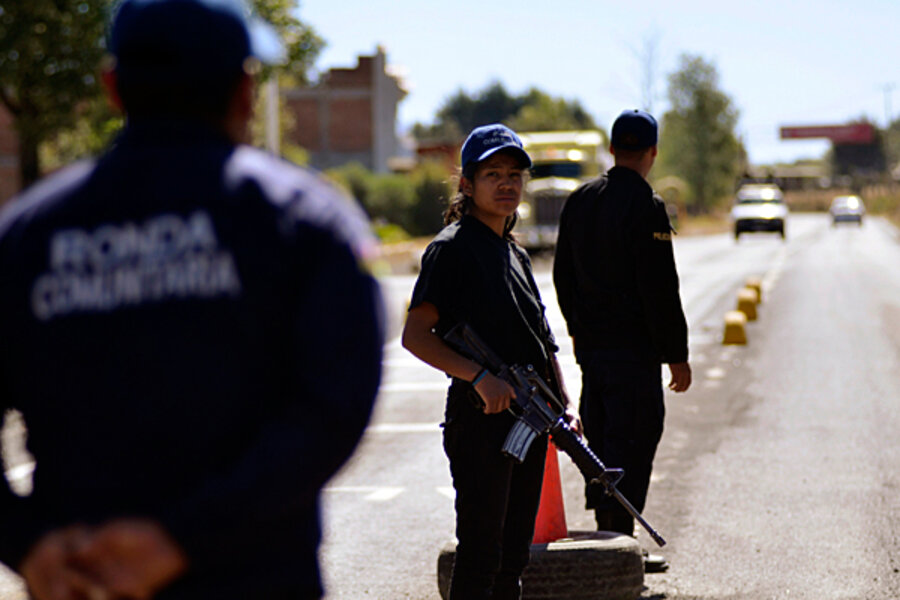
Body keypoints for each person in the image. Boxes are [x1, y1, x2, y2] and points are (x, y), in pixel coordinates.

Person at [0, 0, 384, 598]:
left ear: (112, 89)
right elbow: (334, 408)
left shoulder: (24, 235)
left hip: (83, 581)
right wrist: (180, 538)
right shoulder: (306, 219)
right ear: (245, 91)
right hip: (257, 577)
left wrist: (27, 543)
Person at [402, 123, 581, 600]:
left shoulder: (514, 253)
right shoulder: (452, 249)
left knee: (513, 557)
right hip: (482, 421)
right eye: (493, 174)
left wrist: (563, 404)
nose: (507, 184)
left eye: (515, 175)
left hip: (528, 419)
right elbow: (415, 336)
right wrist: (479, 376)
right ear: (466, 184)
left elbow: (541, 341)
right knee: (481, 554)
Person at [552, 109, 691, 571]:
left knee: (604, 442)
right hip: (634, 355)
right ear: (652, 153)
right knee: (633, 442)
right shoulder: (647, 205)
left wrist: (578, 330)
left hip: (593, 352)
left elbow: (562, 277)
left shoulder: (580, 200)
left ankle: (612, 543)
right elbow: (660, 288)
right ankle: (620, 550)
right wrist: (677, 356)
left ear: (612, 149)